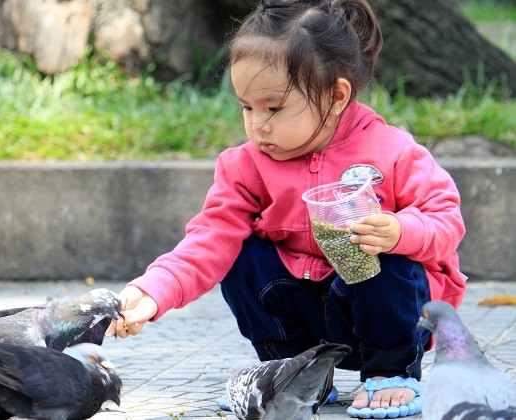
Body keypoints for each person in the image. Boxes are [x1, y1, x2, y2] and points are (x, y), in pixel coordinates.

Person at [107, 0, 466, 418]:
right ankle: (296, 370)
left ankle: (390, 373)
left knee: (384, 256)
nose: (258, 124)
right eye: (247, 106)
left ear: (336, 96)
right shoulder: (245, 166)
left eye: (273, 108)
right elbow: (209, 238)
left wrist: (400, 231)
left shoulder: (392, 151)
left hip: (383, 313)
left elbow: (446, 220)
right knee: (239, 252)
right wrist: (154, 291)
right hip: (305, 307)